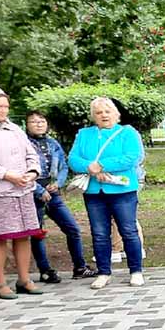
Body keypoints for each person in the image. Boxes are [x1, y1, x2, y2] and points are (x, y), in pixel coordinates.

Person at [68, 97, 146, 290]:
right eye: (99, 112)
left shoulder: (127, 132)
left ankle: (136, 271)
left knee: (128, 231)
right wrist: (89, 167)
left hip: (122, 190)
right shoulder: (84, 134)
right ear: (93, 116)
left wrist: (102, 165)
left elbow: (131, 157)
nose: (103, 115)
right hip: (95, 192)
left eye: (107, 111)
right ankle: (104, 272)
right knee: (99, 233)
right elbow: (73, 159)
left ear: (116, 114)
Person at [0, 87, 45, 299]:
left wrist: (32, 172)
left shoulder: (14, 128)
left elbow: (30, 153)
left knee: (23, 235)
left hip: (23, 190)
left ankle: (24, 280)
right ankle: (0, 283)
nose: (3, 110)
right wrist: (7, 175)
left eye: (6, 106)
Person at [23, 111, 96, 281]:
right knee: (38, 233)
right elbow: (21, 171)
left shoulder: (52, 143)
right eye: (33, 121)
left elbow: (63, 165)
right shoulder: (23, 144)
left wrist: (59, 183)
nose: (38, 124)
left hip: (54, 191)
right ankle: (45, 270)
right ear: (26, 125)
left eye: (42, 121)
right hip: (32, 192)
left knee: (73, 229)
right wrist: (40, 191)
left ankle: (80, 266)